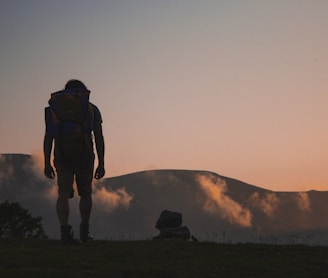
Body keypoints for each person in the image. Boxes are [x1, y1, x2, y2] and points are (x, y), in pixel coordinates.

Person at [43, 79, 105, 243]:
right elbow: (98, 137)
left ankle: (64, 232)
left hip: (62, 155)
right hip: (84, 155)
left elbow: (49, 137)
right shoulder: (91, 109)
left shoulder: (56, 109)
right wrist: (102, 162)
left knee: (63, 193)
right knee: (85, 193)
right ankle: (84, 232)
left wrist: (46, 162)